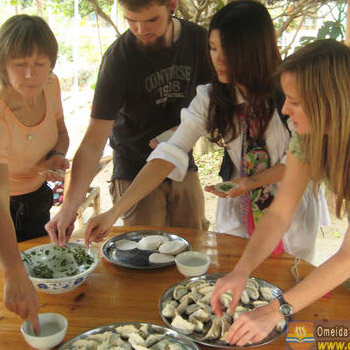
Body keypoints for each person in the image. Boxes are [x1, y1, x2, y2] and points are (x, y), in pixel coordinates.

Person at [72, 0, 325, 261]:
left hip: (290, 207)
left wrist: (250, 182)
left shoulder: (291, 96)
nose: (218, 59)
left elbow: (300, 162)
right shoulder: (212, 98)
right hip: (239, 208)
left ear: (255, 50)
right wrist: (115, 212)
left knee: (287, 280)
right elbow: (169, 153)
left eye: (229, 50)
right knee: (236, 277)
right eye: (213, 48)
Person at [210, 38, 350, 346]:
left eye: (295, 102)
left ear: (330, 103)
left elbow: (347, 257)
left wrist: (276, 310)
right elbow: (279, 212)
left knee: (321, 337)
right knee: (303, 337)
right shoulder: (308, 137)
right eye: (285, 98)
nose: (284, 109)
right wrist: (241, 271)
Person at [46, 0, 212, 245]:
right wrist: (70, 206)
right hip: (133, 167)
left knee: (193, 243)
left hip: (181, 161)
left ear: (172, 5)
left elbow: (217, 101)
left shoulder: (199, 42)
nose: (140, 30)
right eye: (131, 21)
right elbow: (93, 142)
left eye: (151, 20)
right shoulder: (118, 59)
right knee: (145, 250)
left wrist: (184, 129)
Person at [0, 14, 70, 333]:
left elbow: (61, 132)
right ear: (2, 64)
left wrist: (56, 156)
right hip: (5, 208)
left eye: (40, 63)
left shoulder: (51, 85)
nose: (31, 74)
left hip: (38, 197)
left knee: (41, 282)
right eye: (19, 63)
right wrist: (12, 271)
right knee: (12, 285)